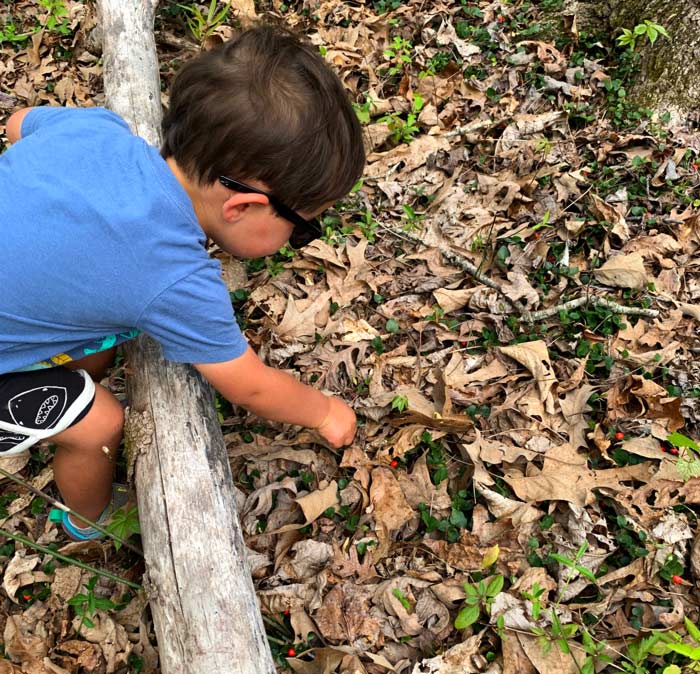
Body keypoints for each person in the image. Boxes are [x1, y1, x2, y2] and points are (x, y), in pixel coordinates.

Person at [0, 25, 365, 540]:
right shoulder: (177, 278)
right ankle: (90, 520)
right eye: (301, 227)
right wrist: (324, 410)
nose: (298, 240)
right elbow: (250, 385)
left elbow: (19, 125)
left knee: (101, 338)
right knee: (99, 425)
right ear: (242, 206)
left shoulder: (99, 130)